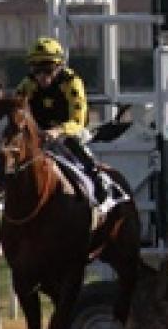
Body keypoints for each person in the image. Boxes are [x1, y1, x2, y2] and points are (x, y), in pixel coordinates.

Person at [15, 36, 115, 219]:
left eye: (48, 69)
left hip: (72, 132)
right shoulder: (26, 85)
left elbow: (77, 120)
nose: (42, 76)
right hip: (40, 137)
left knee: (78, 151)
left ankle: (103, 190)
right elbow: (16, 113)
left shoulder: (72, 82)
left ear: (59, 66)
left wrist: (57, 131)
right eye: (37, 70)